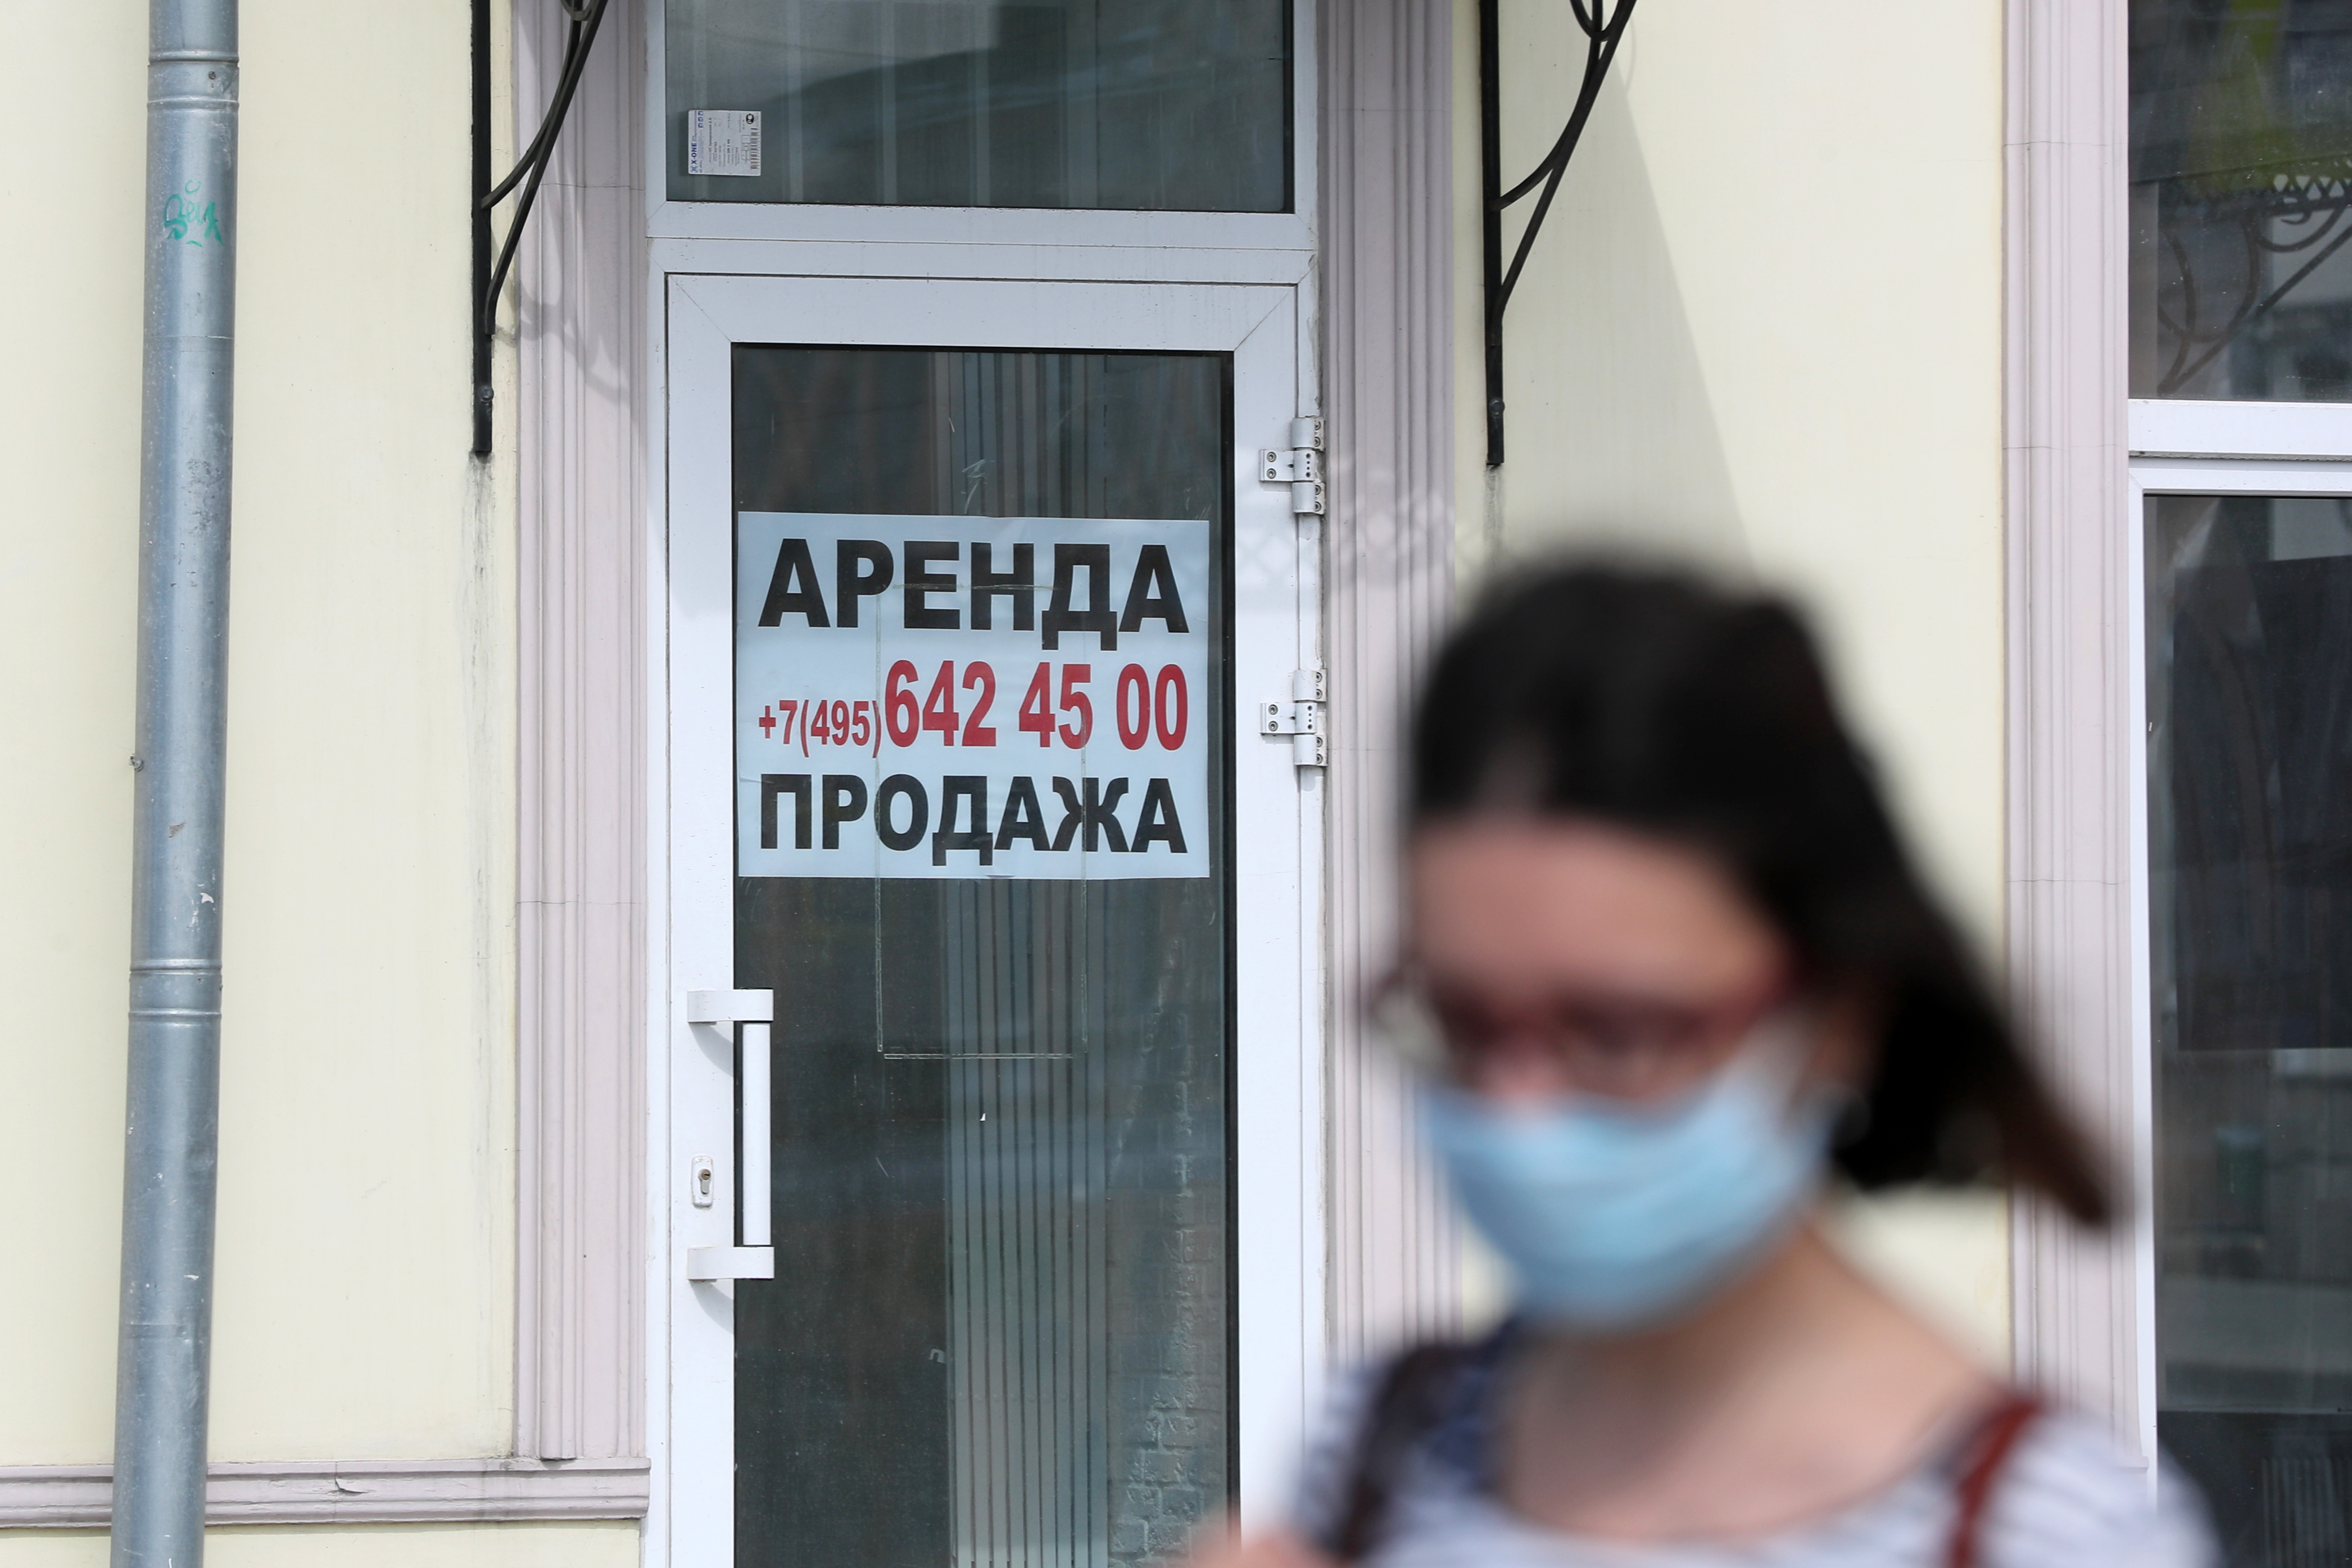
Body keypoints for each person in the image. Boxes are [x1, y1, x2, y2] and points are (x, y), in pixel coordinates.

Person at [1217, 565, 2213, 1568]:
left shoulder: (2051, 1529)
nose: (1518, 1108)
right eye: (1461, 1026)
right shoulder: (1376, 1445)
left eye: (1615, 1033)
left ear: (1834, 1015)